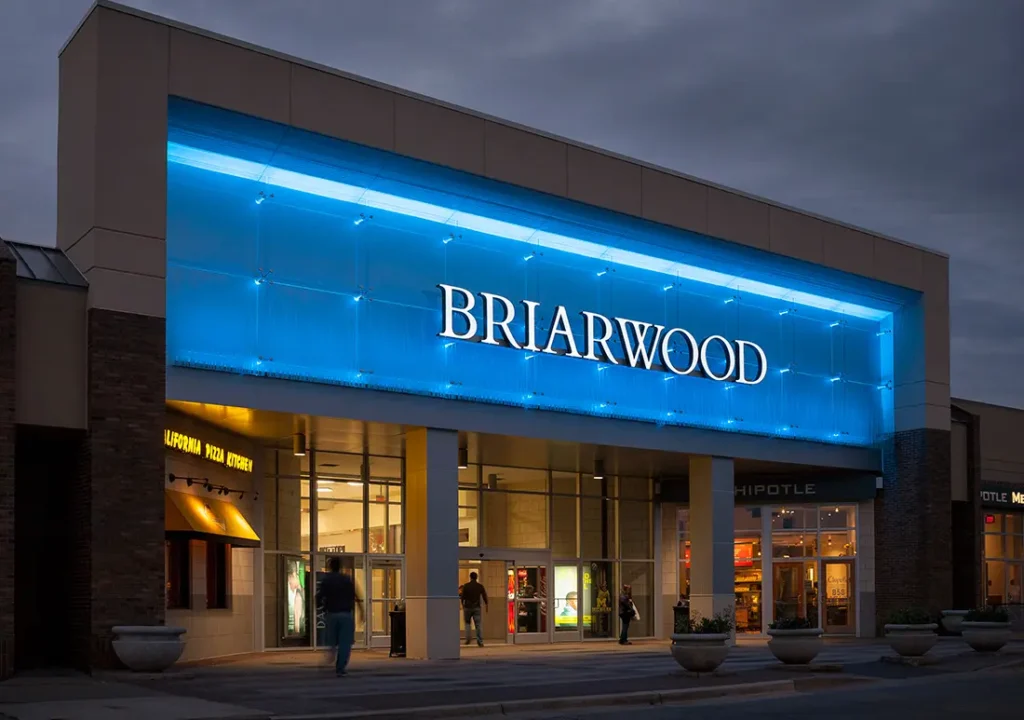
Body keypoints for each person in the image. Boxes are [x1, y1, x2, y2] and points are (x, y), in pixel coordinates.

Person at [316, 556, 362, 677]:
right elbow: (356, 596)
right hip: (346, 614)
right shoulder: (347, 579)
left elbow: (319, 596)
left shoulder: (327, 580)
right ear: (340, 567)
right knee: (345, 643)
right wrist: (361, 612)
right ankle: (340, 667)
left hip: (331, 614)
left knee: (331, 639)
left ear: (330, 566)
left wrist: (320, 606)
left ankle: (330, 655)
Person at [459, 571, 489, 647]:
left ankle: (468, 639)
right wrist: (486, 605)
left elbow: (463, 597)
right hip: (477, 607)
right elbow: (484, 596)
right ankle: (480, 641)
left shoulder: (466, 586)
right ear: (476, 577)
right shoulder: (480, 586)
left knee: (467, 623)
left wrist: (462, 604)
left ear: (470, 577)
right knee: (478, 624)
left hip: (468, 607)